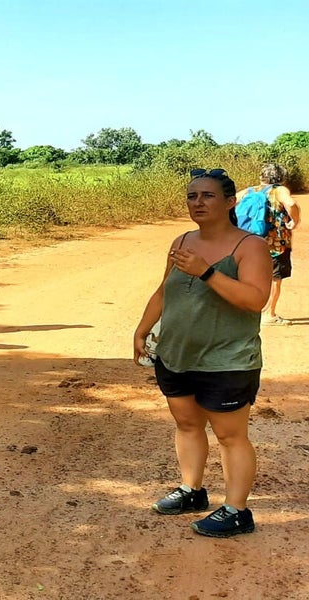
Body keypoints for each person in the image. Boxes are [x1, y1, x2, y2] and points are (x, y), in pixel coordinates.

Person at [133, 168, 270, 538]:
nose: (198, 202)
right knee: (187, 424)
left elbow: (255, 299)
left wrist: (207, 272)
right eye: (192, 196)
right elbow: (164, 290)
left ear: (230, 202)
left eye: (208, 195)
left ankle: (237, 511)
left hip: (227, 360)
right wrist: (142, 329)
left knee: (230, 436)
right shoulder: (181, 241)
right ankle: (191, 490)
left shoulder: (250, 246)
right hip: (176, 354)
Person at [238, 163, 299, 325]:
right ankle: (268, 314)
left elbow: (228, 203)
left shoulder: (250, 191)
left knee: (250, 275)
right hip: (275, 245)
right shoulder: (279, 190)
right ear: (281, 178)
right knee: (275, 277)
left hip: (250, 242)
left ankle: (245, 311)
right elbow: (291, 204)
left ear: (262, 177)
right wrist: (295, 220)